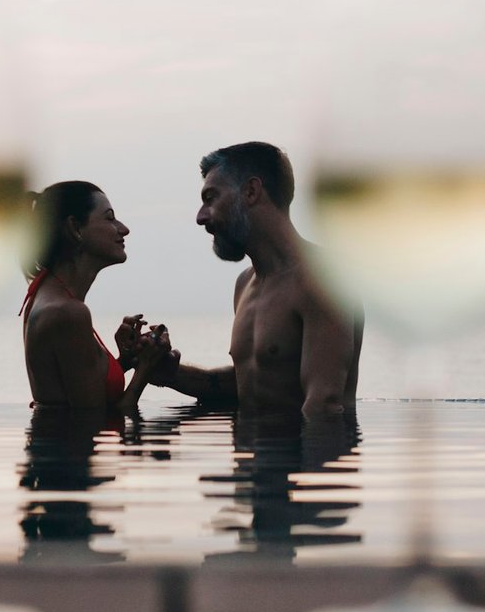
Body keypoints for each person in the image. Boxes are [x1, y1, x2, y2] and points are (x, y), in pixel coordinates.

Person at [153, 142, 362, 418]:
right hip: (251, 459)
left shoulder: (324, 281)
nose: (200, 217)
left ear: (250, 192)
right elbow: (252, 382)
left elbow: (324, 405)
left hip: (301, 460)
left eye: (211, 198)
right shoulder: (244, 285)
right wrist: (170, 373)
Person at [20, 181, 170, 414]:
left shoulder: (48, 294)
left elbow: (74, 397)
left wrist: (126, 360)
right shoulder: (67, 312)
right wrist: (146, 368)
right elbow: (94, 421)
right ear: (75, 229)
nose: (123, 229)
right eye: (110, 218)